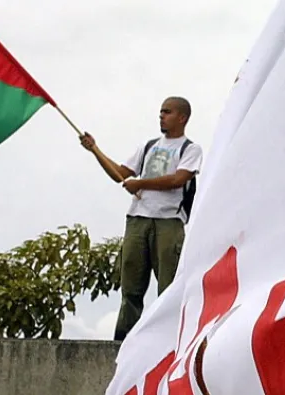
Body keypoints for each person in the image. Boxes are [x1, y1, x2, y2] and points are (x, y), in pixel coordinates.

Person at [79, 96, 203, 341]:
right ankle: (123, 339)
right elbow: (120, 175)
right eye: (160, 112)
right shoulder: (148, 146)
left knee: (168, 285)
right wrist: (95, 149)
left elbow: (178, 180)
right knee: (131, 285)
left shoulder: (190, 149)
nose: (161, 116)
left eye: (167, 112)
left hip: (168, 222)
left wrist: (141, 183)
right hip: (138, 219)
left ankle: (167, 341)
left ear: (182, 117)